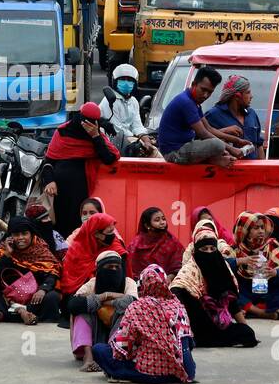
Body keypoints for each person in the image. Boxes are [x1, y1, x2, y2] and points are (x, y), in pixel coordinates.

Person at [92, 265, 196, 384]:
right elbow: (189, 343)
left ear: (142, 284)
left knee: (99, 350)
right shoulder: (178, 306)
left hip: (151, 373)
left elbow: (122, 347)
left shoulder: (137, 307)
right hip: (186, 372)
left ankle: (124, 374)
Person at [170, 220, 258, 347]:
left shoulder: (222, 266)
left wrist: (244, 325)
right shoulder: (190, 270)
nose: (209, 253)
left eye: (212, 249)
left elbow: (232, 301)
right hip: (196, 324)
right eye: (204, 249)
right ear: (196, 251)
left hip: (219, 323)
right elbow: (175, 293)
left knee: (247, 334)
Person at [41, 103, 120, 238]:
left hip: (82, 189)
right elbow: (48, 161)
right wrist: (50, 181)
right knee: (59, 224)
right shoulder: (63, 132)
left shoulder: (96, 134)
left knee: (78, 223)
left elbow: (110, 158)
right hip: (59, 190)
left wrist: (95, 136)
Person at [157, 66, 245, 165]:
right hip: (174, 153)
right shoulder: (186, 102)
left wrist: (237, 140)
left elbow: (209, 129)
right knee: (218, 144)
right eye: (203, 90)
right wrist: (232, 149)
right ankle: (214, 160)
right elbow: (203, 134)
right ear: (194, 84)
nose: (205, 95)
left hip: (186, 146)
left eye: (210, 92)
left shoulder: (195, 102)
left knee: (220, 142)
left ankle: (214, 158)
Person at [67, 249, 137, 368]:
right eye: (110, 267)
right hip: (96, 330)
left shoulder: (128, 282)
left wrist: (103, 299)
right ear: (100, 269)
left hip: (117, 331)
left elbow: (132, 302)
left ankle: (113, 353)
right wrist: (104, 296)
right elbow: (74, 304)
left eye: (117, 267)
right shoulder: (92, 283)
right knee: (81, 313)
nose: (114, 270)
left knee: (127, 312)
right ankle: (88, 357)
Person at [0, 215, 63, 324]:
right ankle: (23, 314)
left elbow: (52, 273)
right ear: (10, 236)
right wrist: (8, 254)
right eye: (16, 234)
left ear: (31, 234)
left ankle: (15, 315)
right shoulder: (4, 249)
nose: (20, 238)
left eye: (24, 234)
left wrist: (43, 290)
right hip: (11, 295)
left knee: (51, 297)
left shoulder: (40, 249)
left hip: (34, 296)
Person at [99, 63, 157, 157]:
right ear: (115, 82)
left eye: (129, 80)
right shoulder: (109, 101)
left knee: (155, 153)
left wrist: (146, 140)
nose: (126, 83)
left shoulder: (133, 101)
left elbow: (137, 126)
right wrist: (138, 141)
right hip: (112, 143)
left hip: (128, 141)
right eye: (123, 79)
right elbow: (117, 130)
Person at [205, 74, 263, 159]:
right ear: (237, 96)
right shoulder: (213, 115)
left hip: (252, 170)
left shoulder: (252, 114)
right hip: (226, 170)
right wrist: (224, 131)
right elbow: (201, 143)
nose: (251, 96)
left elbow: (259, 145)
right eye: (248, 92)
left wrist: (263, 169)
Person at [128, 206, 184, 278]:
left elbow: (179, 266)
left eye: (163, 219)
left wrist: (167, 279)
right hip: (139, 284)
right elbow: (130, 268)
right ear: (147, 225)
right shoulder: (136, 245)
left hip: (169, 283)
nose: (162, 222)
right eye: (157, 220)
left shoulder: (172, 242)